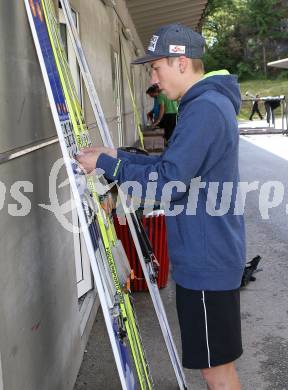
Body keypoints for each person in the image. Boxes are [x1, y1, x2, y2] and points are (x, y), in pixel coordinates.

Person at [77, 23, 245, 389]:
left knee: (216, 371)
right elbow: (170, 168)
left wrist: (108, 166)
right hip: (208, 255)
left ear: (181, 63)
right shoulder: (202, 106)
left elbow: (168, 183)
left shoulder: (204, 110)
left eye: (157, 67)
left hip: (207, 259)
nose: (153, 78)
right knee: (214, 366)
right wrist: (114, 155)